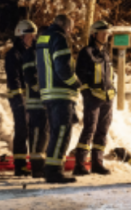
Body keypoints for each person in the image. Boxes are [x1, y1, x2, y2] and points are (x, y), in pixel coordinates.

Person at [36, 14, 82, 184]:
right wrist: (75, 83)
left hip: (48, 92)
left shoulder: (43, 38)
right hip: (60, 93)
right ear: (63, 25)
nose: (70, 32)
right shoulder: (59, 38)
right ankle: (54, 171)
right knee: (62, 132)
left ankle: (51, 169)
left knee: (56, 132)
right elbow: (62, 67)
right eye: (70, 28)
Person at [73, 20, 114, 176]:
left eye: (107, 34)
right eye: (103, 33)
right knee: (89, 129)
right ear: (93, 34)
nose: (106, 36)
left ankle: (97, 162)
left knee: (102, 131)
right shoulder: (86, 52)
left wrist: (112, 90)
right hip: (93, 99)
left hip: (107, 98)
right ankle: (80, 164)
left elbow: (108, 76)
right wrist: (87, 94)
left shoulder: (105, 53)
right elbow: (80, 76)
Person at [5, 20, 38, 176]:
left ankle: (34, 162)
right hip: (19, 97)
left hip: (32, 98)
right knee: (22, 129)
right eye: (29, 34)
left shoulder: (32, 53)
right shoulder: (13, 54)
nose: (32, 37)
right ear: (20, 36)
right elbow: (14, 78)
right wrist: (19, 97)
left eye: (33, 34)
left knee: (33, 129)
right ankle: (20, 165)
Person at [22, 24, 48, 178]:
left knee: (45, 134)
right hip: (36, 102)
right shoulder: (31, 54)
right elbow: (30, 77)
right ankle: (37, 167)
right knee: (37, 134)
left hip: (47, 102)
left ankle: (41, 165)